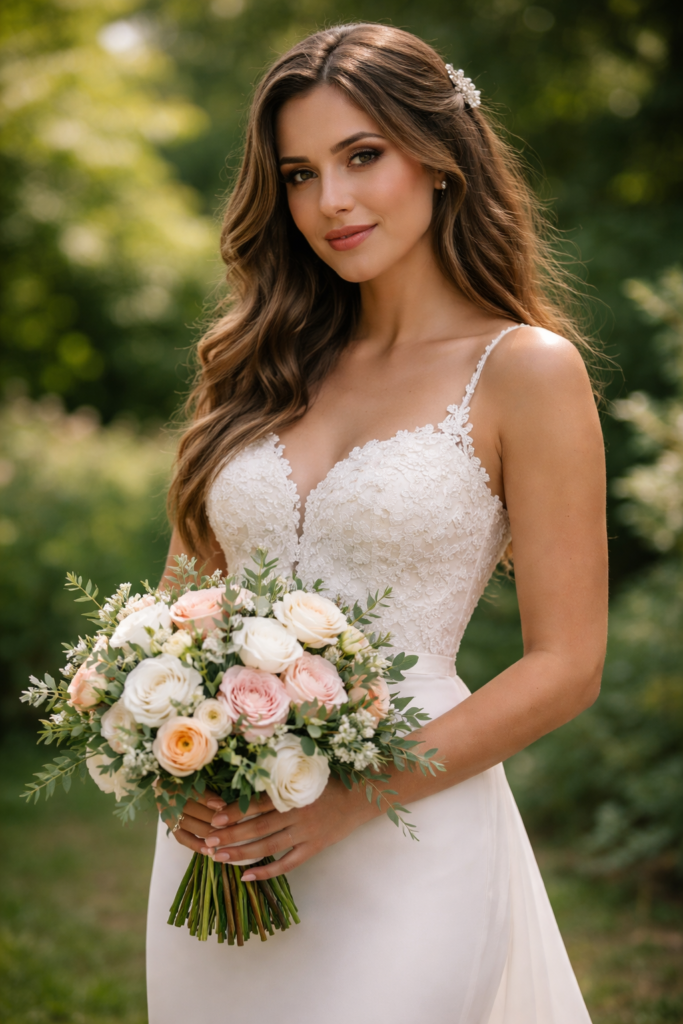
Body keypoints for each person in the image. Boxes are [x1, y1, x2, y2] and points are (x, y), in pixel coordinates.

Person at [146, 22, 607, 1024]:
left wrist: (355, 795)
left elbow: (565, 662)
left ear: (440, 158)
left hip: (409, 828)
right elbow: (179, 606)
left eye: (362, 157)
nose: (330, 202)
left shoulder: (523, 370)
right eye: (299, 173)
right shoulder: (252, 364)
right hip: (220, 834)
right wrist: (166, 755)